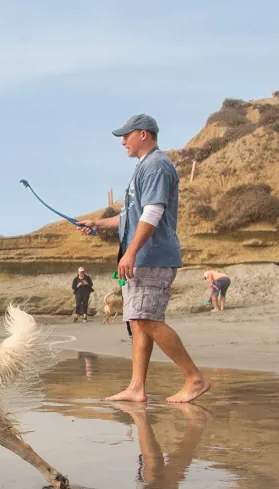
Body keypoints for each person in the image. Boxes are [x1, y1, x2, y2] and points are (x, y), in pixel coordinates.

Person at [78, 114, 210, 404]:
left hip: (152, 256)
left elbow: (153, 213)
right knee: (139, 321)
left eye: (126, 135)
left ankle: (194, 379)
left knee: (146, 318)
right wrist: (99, 224)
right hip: (143, 257)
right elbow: (130, 217)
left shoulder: (156, 165)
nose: (123, 141)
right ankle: (137, 387)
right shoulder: (144, 168)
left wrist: (132, 251)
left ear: (144, 135)